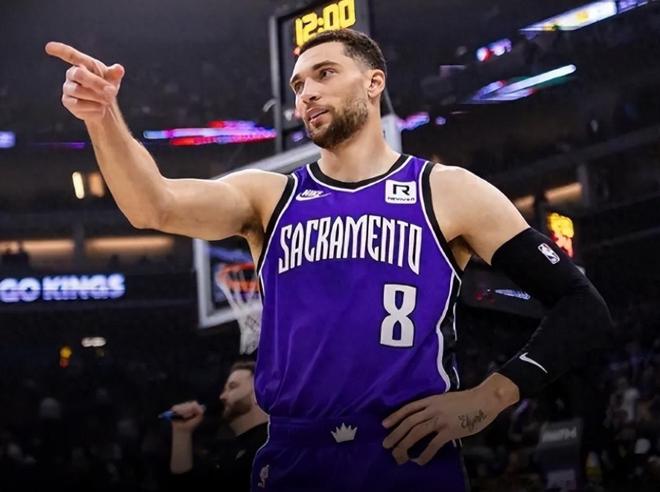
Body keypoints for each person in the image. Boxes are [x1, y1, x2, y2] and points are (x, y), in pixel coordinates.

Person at [45, 28, 614, 491]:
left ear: (373, 82)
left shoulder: (448, 190)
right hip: (293, 456)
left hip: (406, 456)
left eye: (324, 74)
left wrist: (490, 397)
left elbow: (580, 304)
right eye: (298, 84)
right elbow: (154, 205)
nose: (307, 94)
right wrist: (103, 118)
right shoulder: (269, 195)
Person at [168, 360, 267, 491]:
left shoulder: (275, 445)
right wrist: (181, 432)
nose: (222, 396)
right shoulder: (228, 451)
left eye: (232, 387)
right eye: (224, 390)